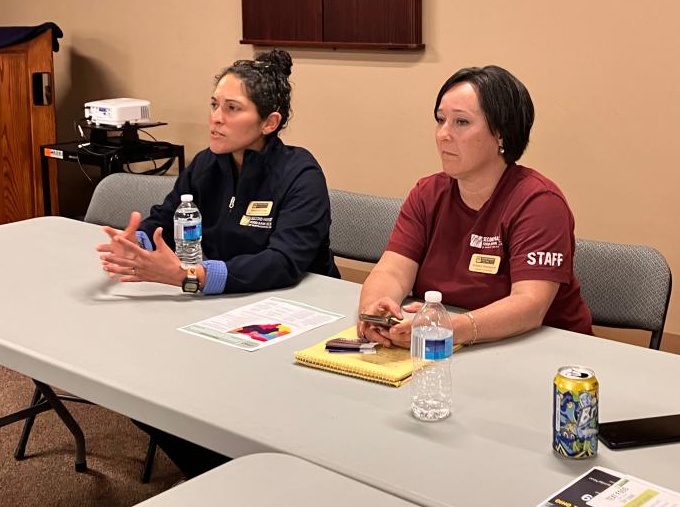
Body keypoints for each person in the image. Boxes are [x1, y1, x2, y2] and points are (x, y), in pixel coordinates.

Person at [96, 48, 338, 477]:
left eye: (232, 109)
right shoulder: (207, 164)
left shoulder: (300, 173)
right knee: (134, 381)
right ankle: (217, 474)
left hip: (296, 317)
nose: (215, 119)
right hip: (220, 308)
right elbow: (166, 217)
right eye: (213, 105)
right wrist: (133, 241)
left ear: (269, 123)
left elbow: (284, 263)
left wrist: (192, 277)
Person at [358, 65, 592, 349]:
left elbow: (529, 305)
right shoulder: (427, 193)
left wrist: (448, 330)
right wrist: (377, 311)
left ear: (501, 134)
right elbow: (392, 271)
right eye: (440, 120)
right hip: (454, 348)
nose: (443, 134)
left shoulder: (539, 203)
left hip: (540, 352)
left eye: (461, 122)